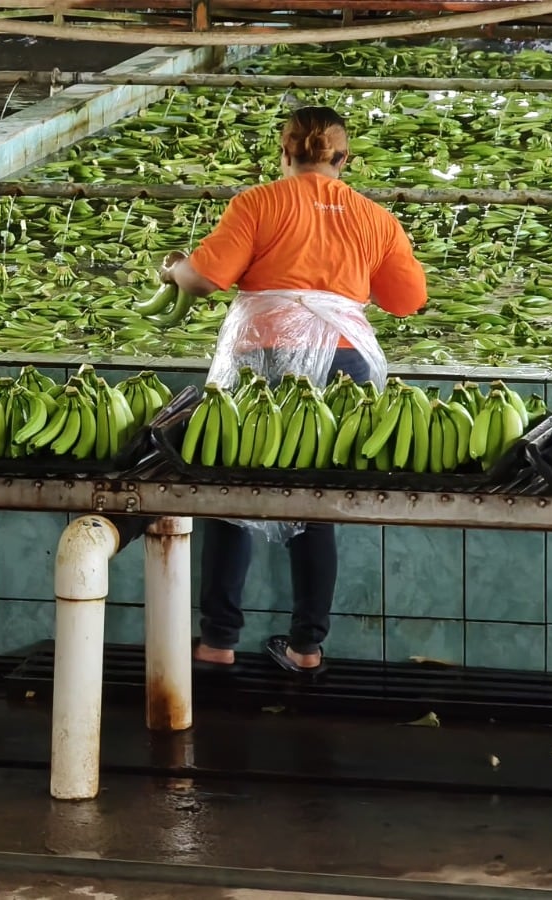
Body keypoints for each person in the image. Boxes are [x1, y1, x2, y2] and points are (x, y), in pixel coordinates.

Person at [160, 106, 427, 679]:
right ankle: (307, 647)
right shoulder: (373, 216)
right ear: (344, 158)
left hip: (263, 357)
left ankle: (217, 641)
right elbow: (407, 300)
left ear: (283, 153)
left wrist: (173, 272)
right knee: (316, 499)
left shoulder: (258, 203)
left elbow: (206, 279)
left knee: (231, 487)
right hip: (346, 360)